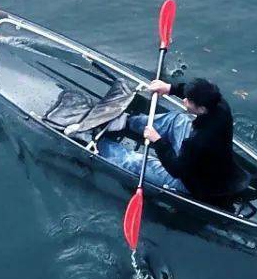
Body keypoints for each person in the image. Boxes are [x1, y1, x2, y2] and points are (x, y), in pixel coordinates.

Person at [98, 77, 238, 199]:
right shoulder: (220, 105)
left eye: (188, 101)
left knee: (135, 162)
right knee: (177, 119)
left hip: (194, 183)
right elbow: (194, 93)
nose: (184, 101)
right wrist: (170, 88)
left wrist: (158, 141)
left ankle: (98, 143)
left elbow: (177, 170)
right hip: (216, 167)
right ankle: (126, 122)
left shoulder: (198, 142)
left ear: (201, 109)